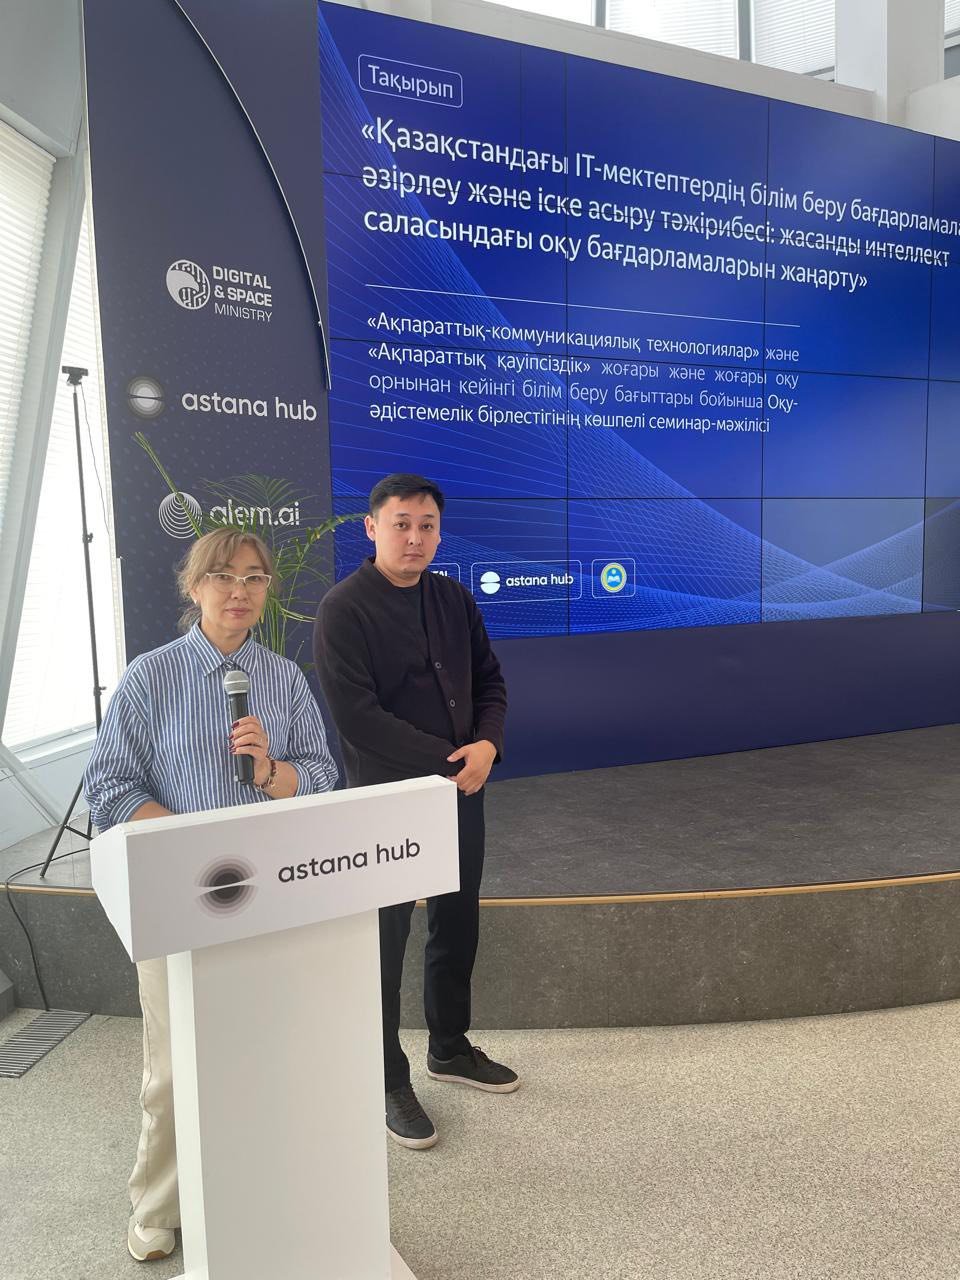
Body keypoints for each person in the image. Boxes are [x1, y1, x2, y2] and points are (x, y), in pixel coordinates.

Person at [84, 528, 338, 1262]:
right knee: (173, 1067)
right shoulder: (150, 677)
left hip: (271, 898)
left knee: (265, 1055)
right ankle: (158, 1205)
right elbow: (109, 786)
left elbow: (323, 776)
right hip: (179, 897)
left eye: (254, 578)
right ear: (194, 587)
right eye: (223, 576)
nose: (239, 591)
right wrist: (188, 850)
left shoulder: (283, 680)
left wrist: (269, 772)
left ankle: (255, 1184)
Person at [313, 473, 516, 1151]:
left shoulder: (453, 598)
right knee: (385, 940)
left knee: (456, 923)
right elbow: (358, 718)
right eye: (401, 524)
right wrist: (453, 761)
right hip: (387, 803)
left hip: (461, 793)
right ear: (371, 528)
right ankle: (386, 1078)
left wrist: (488, 744)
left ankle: (449, 1048)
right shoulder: (343, 609)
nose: (415, 538)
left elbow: (489, 681)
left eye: (427, 525)